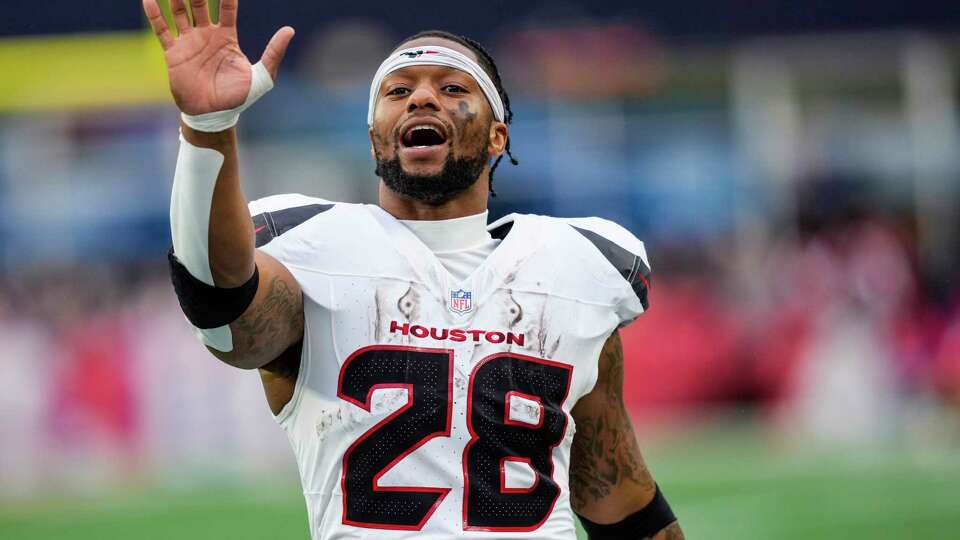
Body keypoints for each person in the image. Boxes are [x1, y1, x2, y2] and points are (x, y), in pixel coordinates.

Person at [144, 0, 684, 538]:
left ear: (498, 136)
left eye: (453, 89)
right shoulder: (314, 250)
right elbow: (223, 315)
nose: (422, 96)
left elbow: (620, 500)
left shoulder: (577, 269)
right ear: (376, 133)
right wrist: (208, 127)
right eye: (398, 92)